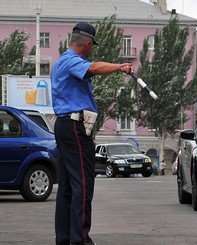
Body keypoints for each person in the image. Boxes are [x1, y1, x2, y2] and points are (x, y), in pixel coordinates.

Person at [51, 22, 134, 245]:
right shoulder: (72, 61)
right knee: (83, 185)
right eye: (92, 47)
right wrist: (120, 67)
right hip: (76, 128)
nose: (91, 51)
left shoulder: (60, 61)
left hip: (65, 126)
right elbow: (94, 68)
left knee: (67, 186)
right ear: (88, 43)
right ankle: (80, 240)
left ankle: (66, 238)